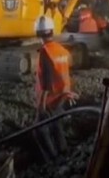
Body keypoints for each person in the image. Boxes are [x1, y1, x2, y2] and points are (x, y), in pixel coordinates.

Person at [33, 15, 77, 161]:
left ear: (38, 33)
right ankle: (63, 153)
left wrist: (41, 106)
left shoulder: (45, 52)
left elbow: (46, 83)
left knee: (39, 130)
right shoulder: (61, 49)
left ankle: (52, 160)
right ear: (51, 31)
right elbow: (66, 69)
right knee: (56, 125)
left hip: (50, 99)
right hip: (63, 95)